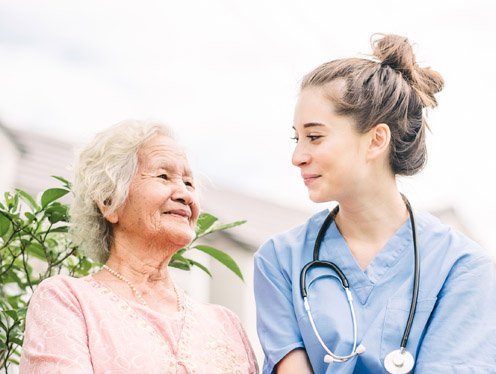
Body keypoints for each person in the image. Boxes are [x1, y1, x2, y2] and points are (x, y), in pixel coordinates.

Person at [254, 34, 496, 373]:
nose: (297, 157)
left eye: (314, 137)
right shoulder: (279, 260)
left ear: (376, 140)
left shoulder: (461, 268)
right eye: (297, 138)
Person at [20, 120, 258, 373]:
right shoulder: (68, 300)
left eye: (189, 183)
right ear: (109, 201)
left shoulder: (226, 324)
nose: (185, 195)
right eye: (163, 176)